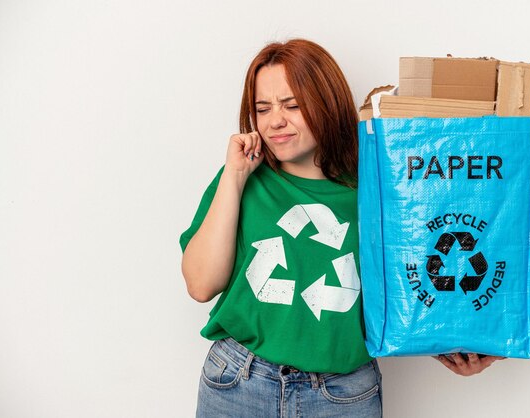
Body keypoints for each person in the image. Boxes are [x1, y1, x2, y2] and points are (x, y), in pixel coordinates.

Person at [180, 38, 502, 418]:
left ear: (327, 102)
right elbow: (201, 285)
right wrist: (234, 177)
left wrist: (464, 343)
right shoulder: (241, 179)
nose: (274, 121)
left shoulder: (382, 185)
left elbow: (410, 283)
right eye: (262, 108)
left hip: (341, 394)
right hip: (238, 383)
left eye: (293, 105)